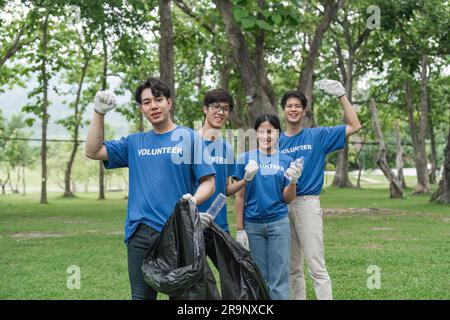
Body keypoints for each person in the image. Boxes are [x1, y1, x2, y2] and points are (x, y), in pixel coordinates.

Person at [84, 77, 216, 300]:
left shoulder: (189, 138)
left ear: (169, 103)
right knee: (141, 296)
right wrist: (99, 112)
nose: (153, 106)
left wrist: (193, 201)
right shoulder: (134, 143)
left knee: (184, 296)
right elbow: (93, 151)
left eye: (158, 99)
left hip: (178, 232)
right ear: (142, 109)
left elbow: (208, 182)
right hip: (140, 233)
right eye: (146, 102)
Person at [279, 79, 362, 300]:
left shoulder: (317, 136)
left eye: (298, 106)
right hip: (282, 205)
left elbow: (355, 126)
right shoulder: (275, 141)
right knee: (292, 268)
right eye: (289, 106)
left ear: (304, 111)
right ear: (283, 110)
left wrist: (341, 95)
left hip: (307, 204)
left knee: (316, 265)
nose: (293, 109)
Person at [196, 89, 259, 297]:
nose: (221, 112)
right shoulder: (188, 142)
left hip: (218, 226)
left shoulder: (226, 148)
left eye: (225, 108)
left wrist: (245, 180)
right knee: (199, 283)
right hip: (193, 224)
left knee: (234, 277)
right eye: (216, 107)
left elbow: (226, 190)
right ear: (205, 109)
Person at [235, 114, 302, 300]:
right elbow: (239, 196)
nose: (266, 135)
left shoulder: (286, 160)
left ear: (278, 133)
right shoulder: (244, 159)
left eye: (271, 131)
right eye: (262, 131)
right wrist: (240, 229)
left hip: (278, 223)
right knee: (259, 276)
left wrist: (293, 182)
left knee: (279, 278)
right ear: (256, 134)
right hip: (252, 225)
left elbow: (287, 198)